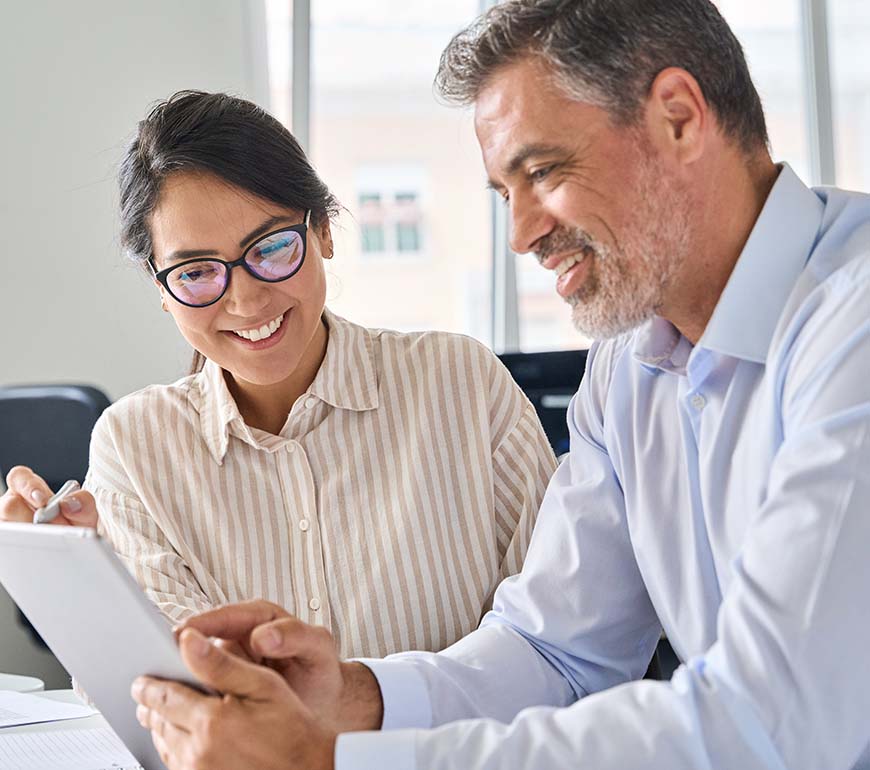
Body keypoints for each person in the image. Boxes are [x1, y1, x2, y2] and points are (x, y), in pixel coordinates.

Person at [127, 0, 870, 768]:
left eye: (542, 172)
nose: (521, 236)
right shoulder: (629, 364)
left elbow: (772, 724)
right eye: (504, 195)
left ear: (679, 117)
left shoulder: (853, 325)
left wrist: (330, 762)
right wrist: (348, 700)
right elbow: (554, 652)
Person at [0, 90, 558, 661]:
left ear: (322, 232)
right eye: (195, 272)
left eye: (269, 248)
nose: (245, 301)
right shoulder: (135, 447)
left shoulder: (460, 384)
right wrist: (74, 592)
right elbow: (171, 695)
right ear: (160, 288)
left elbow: (559, 642)